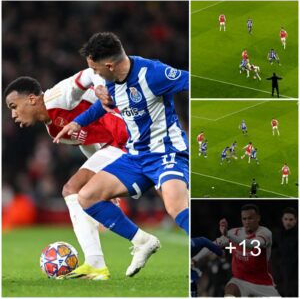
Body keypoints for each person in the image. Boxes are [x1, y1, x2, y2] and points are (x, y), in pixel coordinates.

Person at [54, 32, 189, 275]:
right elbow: (102, 107)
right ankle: (142, 241)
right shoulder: (111, 82)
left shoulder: (154, 74)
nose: (95, 75)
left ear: (109, 64)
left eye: (95, 70)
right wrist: (77, 123)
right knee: (87, 196)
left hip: (166, 154)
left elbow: (193, 81)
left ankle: (214, 249)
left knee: (175, 206)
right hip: (135, 157)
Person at [4, 73, 160, 280]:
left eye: (13, 106)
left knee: (72, 189)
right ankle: (101, 261)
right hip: (118, 146)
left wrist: (100, 89)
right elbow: (91, 146)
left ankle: (107, 257)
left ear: (32, 99)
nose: (13, 115)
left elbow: (89, 73)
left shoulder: (57, 97)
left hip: (133, 135)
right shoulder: (53, 129)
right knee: (75, 190)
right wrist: (104, 178)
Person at [218, 204, 280, 297]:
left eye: (250, 218)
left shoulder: (265, 233)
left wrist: (228, 235)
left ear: (258, 218)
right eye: (244, 219)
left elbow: (251, 245)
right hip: (240, 281)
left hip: (263, 285)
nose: (247, 222)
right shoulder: (234, 232)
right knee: (230, 289)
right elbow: (212, 244)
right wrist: (195, 259)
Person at [273, 207, 298, 296]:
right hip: (283, 276)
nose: (288, 222)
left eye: (291, 219)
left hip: (295, 276)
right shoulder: (279, 235)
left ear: (296, 220)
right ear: (282, 220)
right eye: (286, 219)